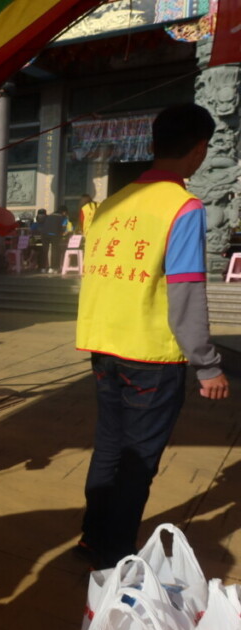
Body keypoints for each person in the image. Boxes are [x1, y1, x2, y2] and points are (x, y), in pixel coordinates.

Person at [76, 103, 229, 570]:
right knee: (138, 463)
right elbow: (185, 295)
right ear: (199, 150)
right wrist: (207, 364)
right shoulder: (183, 206)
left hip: (104, 348)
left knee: (108, 448)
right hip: (151, 357)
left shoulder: (109, 205)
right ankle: (115, 558)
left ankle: (92, 539)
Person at [39, 206, 67, 274]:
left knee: (44, 250)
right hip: (54, 234)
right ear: (64, 212)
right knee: (55, 250)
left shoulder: (49, 216)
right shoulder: (63, 217)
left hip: (44, 234)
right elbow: (63, 228)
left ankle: (42, 268)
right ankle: (53, 268)